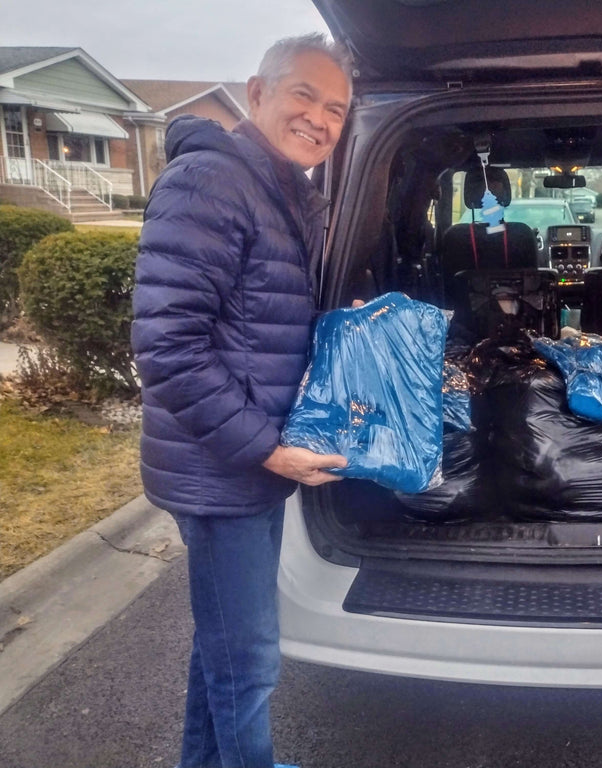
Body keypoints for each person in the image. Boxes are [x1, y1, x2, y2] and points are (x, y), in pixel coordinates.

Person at [131, 33, 353, 768]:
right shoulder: (212, 182)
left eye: (337, 109)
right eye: (304, 96)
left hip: (243, 461)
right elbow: (167, 345)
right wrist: (267, 446)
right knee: (249, 657)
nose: (320, 118)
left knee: (223, 642)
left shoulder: (285, 189)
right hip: (223, 465)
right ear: (257, 94)